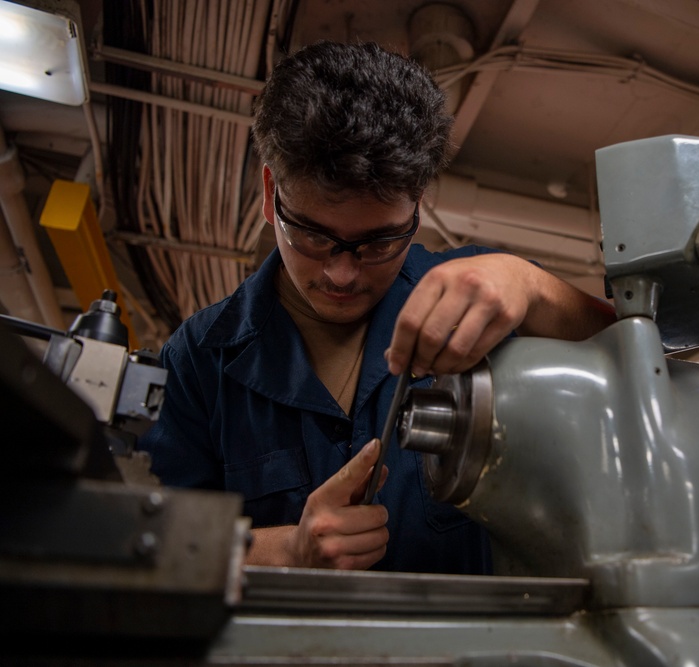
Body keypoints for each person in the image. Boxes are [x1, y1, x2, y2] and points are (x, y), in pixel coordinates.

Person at [138, 40, 617, 575]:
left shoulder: (487, 298)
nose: (342, 274)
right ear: (272, 189)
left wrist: (530, 285)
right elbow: (155, 539)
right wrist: (288, 549)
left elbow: (637, 357)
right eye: (313, 235)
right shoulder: (199, 360)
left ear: (417, 202)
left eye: (379, 242)